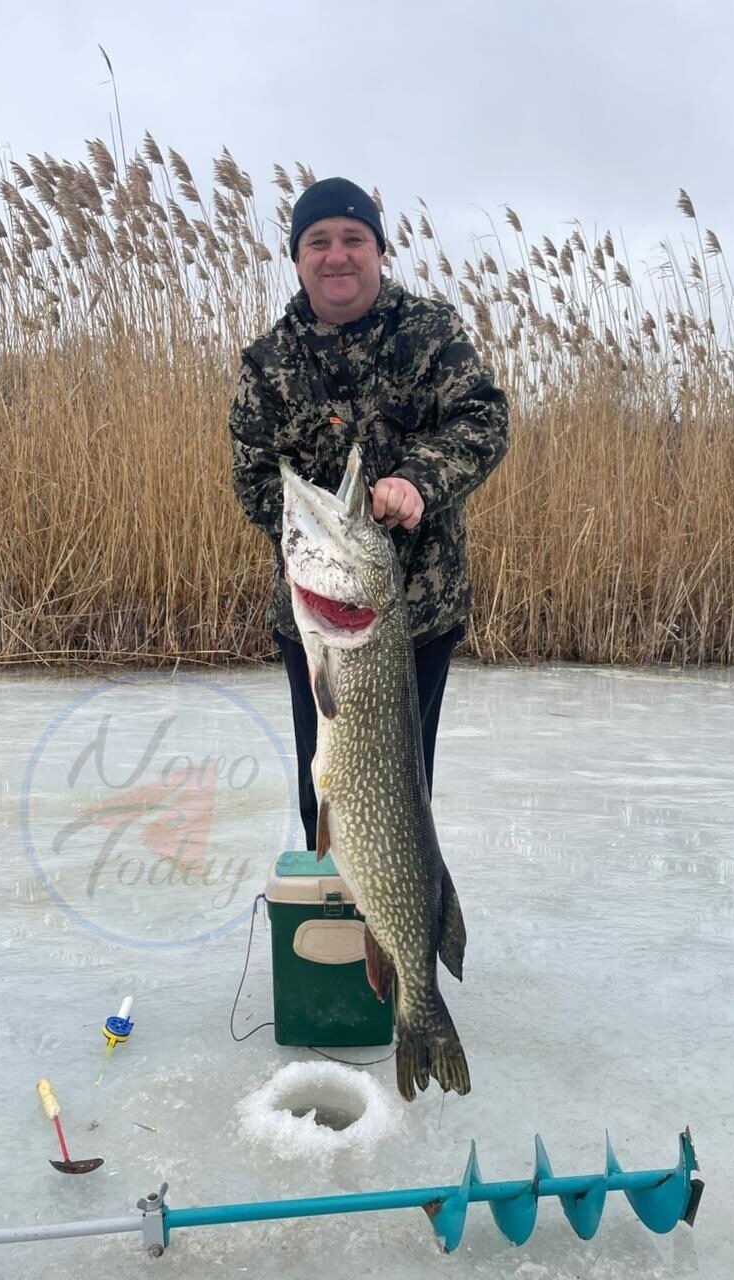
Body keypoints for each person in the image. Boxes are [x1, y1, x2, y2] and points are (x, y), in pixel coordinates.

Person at [228, 177, 508, 850]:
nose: (337, 256)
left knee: (402, 798)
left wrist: (417, 480)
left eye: (354, 239)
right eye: (317, 242)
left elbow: (484, 420)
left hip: (422, 609)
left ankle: (402, 932)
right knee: (326, 791)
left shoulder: (431, 332)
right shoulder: (269, 364)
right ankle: (331, 933)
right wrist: (326, 520)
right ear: (297, 259)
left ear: (379, 251)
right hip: (321, 618)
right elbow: (254, 479)